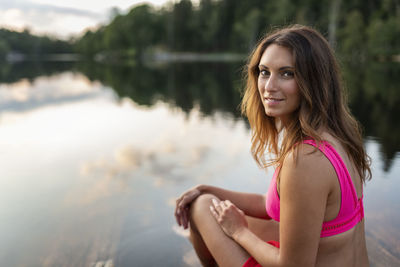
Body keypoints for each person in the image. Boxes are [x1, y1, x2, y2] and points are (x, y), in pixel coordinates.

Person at [174, 24, 371, 267]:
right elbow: (274, 203)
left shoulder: (306, 159)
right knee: (206, 199)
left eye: (287, 73)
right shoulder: (338, 137)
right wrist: (207, 188)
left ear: (314, 81)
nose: (268, 86)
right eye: (264, 72)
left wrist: (239, 232)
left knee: (202, 208)